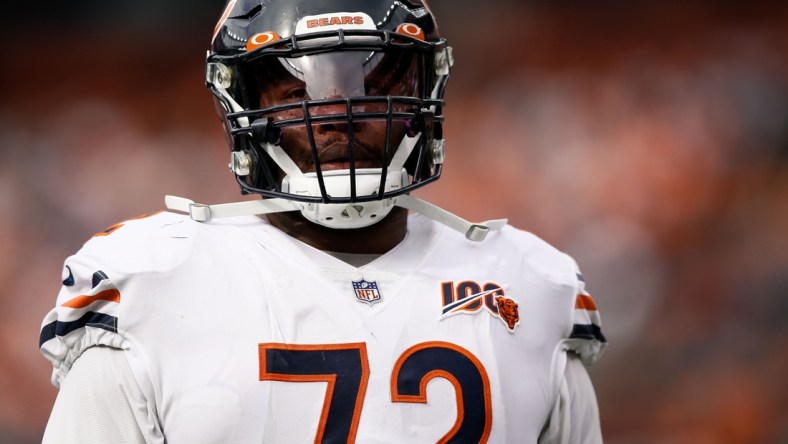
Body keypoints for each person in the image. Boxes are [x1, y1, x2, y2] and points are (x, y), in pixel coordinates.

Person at [39, 1, 607, 442]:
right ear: (240, 105)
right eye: (297, 90)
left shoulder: (529, 283)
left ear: (423, 96)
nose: (339, 112)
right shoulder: (152, 287)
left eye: (375, 85)